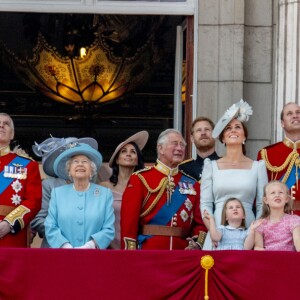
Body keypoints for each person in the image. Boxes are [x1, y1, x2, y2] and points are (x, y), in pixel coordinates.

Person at [120, 128, 207, 250]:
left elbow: (200, 223)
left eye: (182, 145)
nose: (179, 148)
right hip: (149, 252)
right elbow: (128, 223)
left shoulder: (193, 184)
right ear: (160, 148)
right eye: (174, 143)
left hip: (182, 253)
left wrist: (197, 244)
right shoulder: (139, 179)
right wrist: (131, 254)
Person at [200, 99, 268, 250]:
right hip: (217, 229)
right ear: (223, 138)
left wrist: (253, 233)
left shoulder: (258, 166)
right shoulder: (210, 166)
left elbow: (262, 204)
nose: (233, 130)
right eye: (228, 128)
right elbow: (205, 204)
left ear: (244, 137)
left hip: (247, 231)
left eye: (238, 127)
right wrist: (213, 231)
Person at [30, 136, 98, 247]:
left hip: (86, 249)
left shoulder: (94, 189)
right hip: (55, 247)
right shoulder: (49, 185)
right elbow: (37, 219)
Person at [45, 142, 115, 249]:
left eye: (85, 161)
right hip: (63, 255)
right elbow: (50, 226)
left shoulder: (104, 194)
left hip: (93, 256)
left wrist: (90, 245)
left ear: (92, 170)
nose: (80, 164)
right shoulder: (57, 193)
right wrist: (65, 246)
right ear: (69, 170)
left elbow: (109, 229)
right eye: (75, 162)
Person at [100, 131, 148, 249]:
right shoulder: (103, 187)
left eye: (133, 152)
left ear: (137, 160)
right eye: (124, 151)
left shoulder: (145, 187)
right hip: (107, 247)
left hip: (137, 247)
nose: (128, 154)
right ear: (117, 160)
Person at [0, 112, 42, 247]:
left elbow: (34, 200)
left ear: (12, 135)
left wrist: (10, 223)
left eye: (5, 124)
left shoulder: (28, 165)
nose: (1, 126)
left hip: (10, 234)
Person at [257, 102, 300, 216]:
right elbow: (260, 195)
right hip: (278, 220)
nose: (295, 116)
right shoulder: (267, 154)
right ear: (282, 123)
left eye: (298, 112)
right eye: (289, 114)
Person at [254, 180, 300, 251]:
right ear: (266, 200)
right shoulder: (260, 224)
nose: (277, 195)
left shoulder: (294, 220)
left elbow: (298, 243)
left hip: (288, 260)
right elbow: (258, 247)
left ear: (287, 199)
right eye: (273, 193)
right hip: (268, 260)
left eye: (281, 192)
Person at [179, 116, 219, 181]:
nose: (203, 133)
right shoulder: (183, 170)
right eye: (199, 130)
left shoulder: (226, 165)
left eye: (207, 129)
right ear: (192, 138)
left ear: (215, 135)